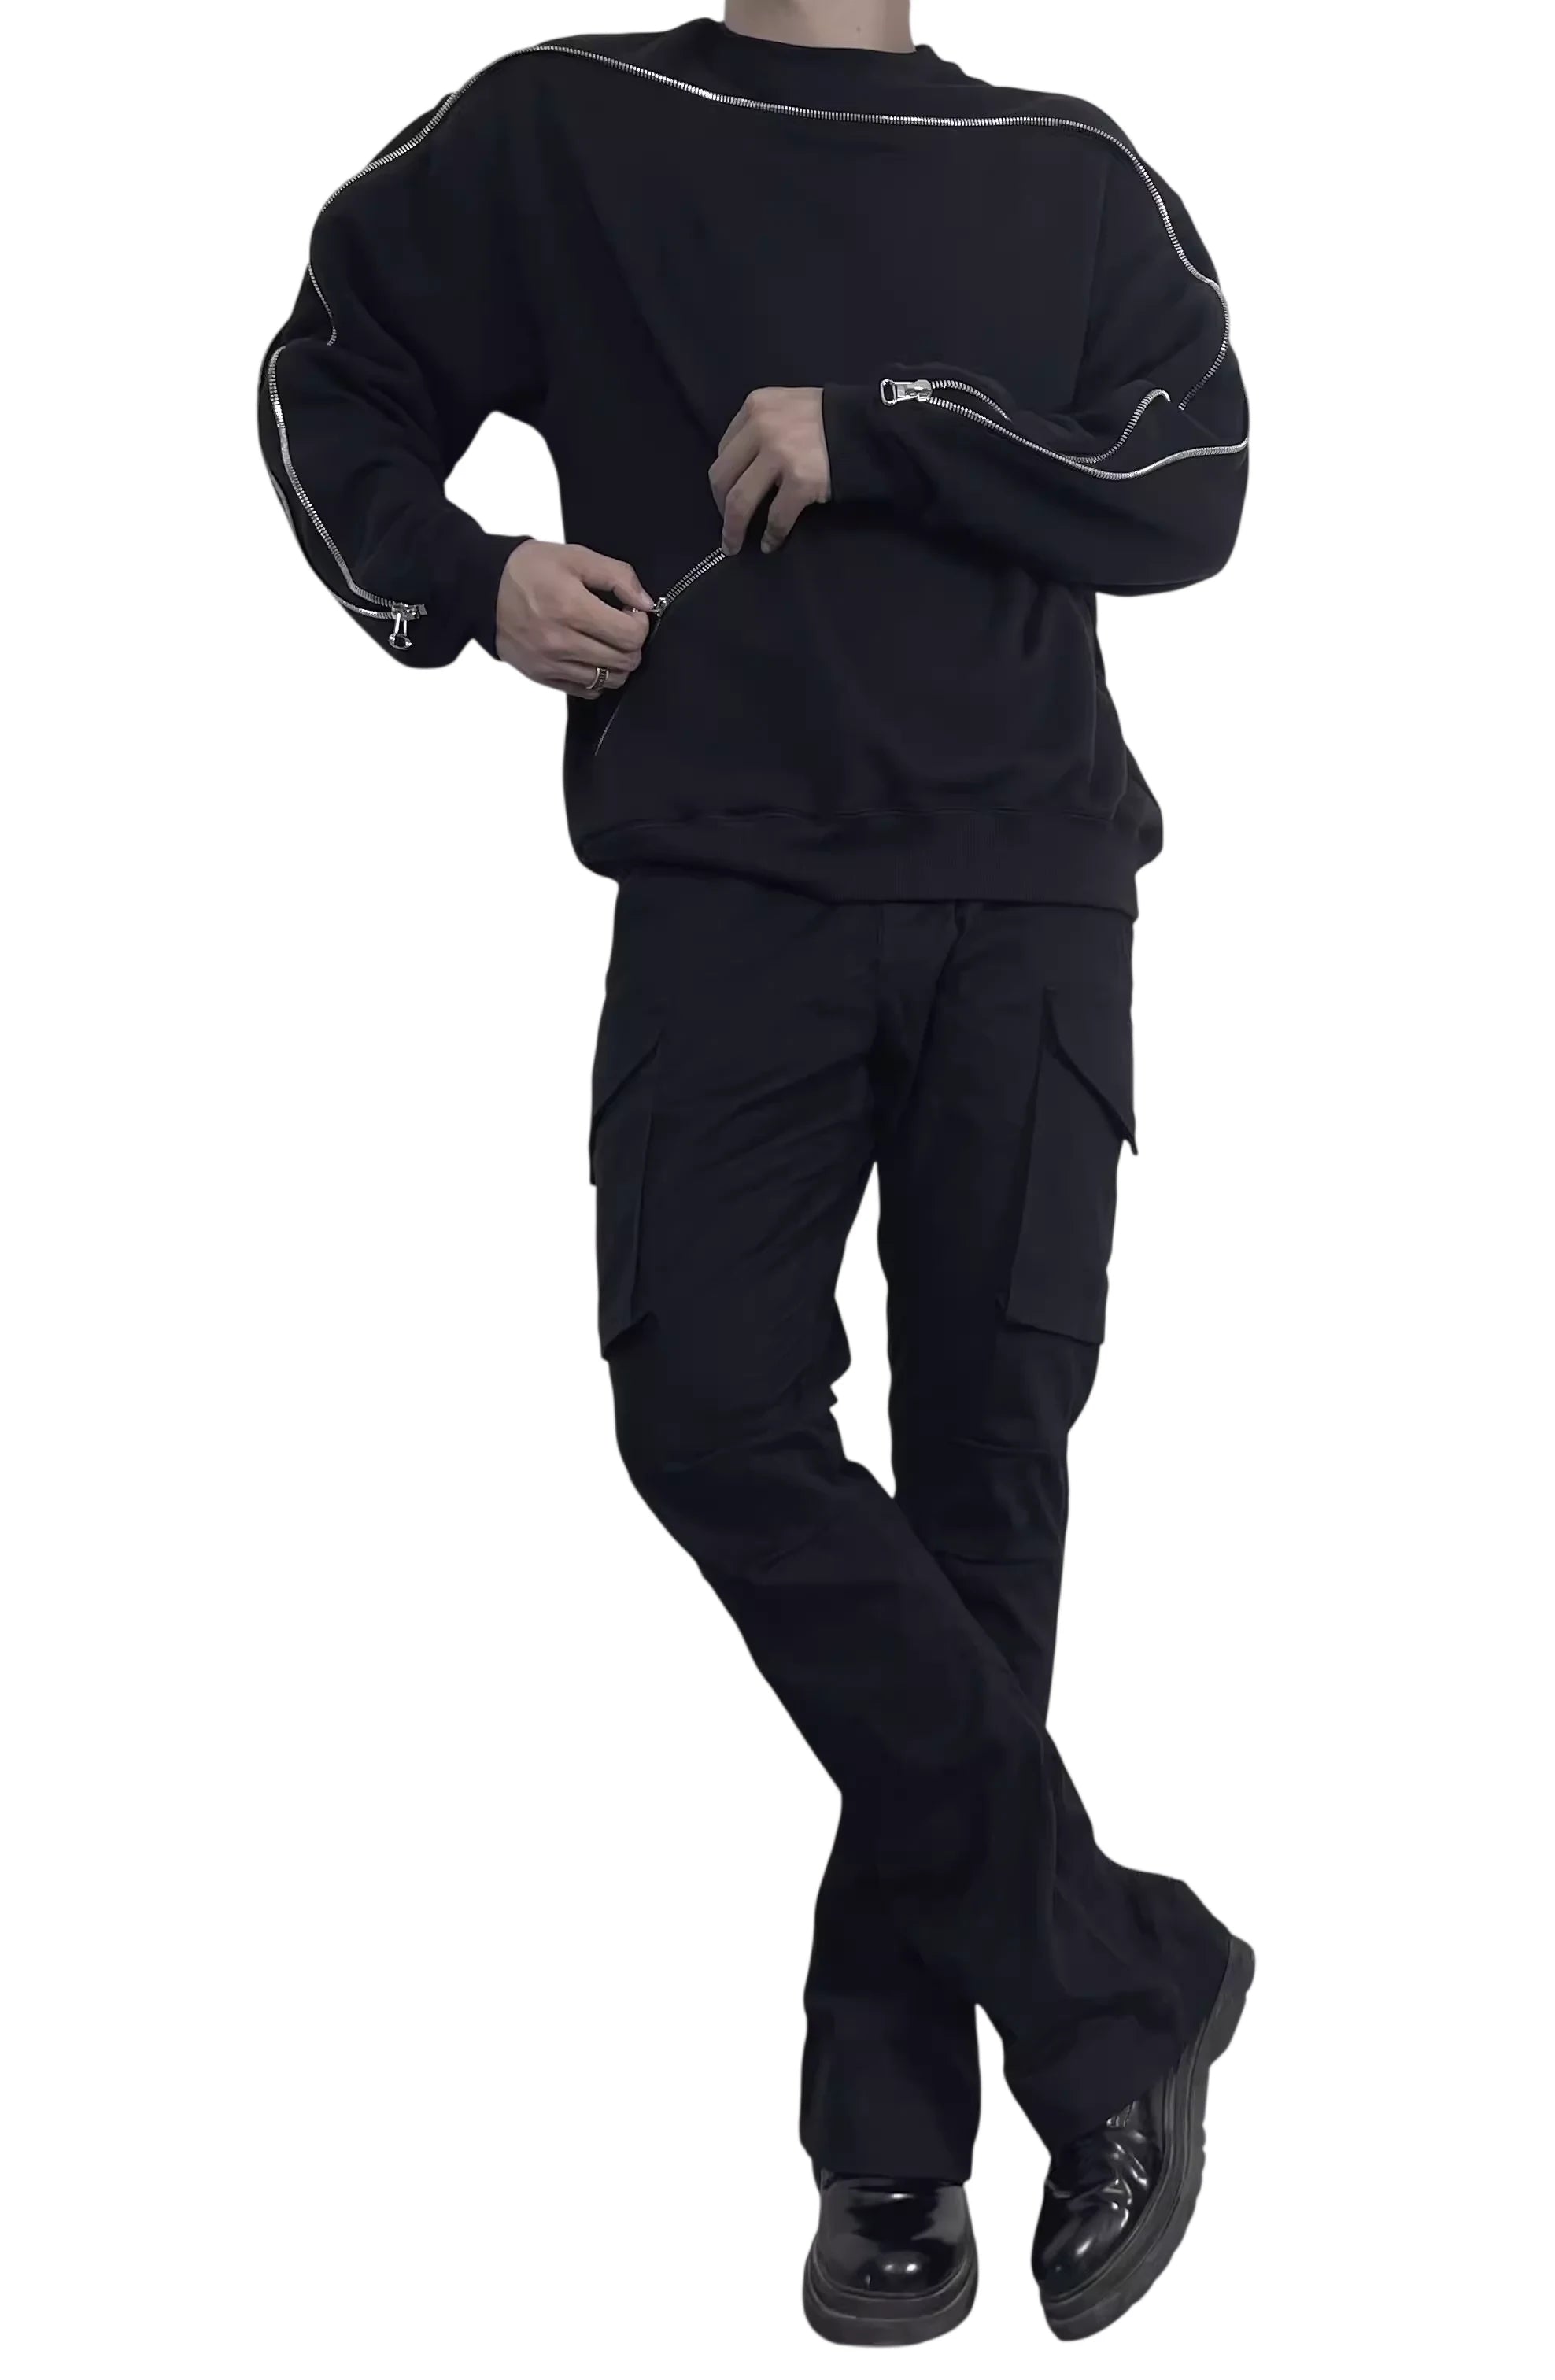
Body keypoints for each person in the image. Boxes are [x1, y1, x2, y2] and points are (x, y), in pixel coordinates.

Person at [255, 2, 1251, 2348]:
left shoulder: (1067, 165)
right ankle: (1112, 1988)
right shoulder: (573, 126)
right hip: (729, 898)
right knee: (707, 1415)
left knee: (982, 1500)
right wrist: (469, 578)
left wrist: (882, 428)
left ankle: (892, 2144)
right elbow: (323, 377)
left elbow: (1195, 485)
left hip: (1027, 906)